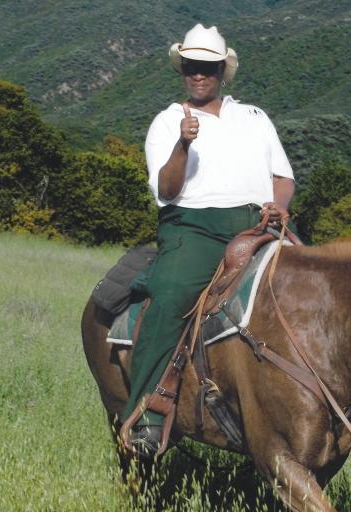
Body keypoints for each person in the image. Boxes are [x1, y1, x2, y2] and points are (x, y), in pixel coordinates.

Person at [122, 23, 295, 457]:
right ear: (183, 70)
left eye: (208, 68)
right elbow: (166, 188)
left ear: (223, 70)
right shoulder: (167, 121)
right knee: (170, 295)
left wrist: (278, 205)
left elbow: (283, 177)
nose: (199, 75)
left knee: (325, 286)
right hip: (193, 227)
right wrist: (183, 143)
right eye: (191, 67)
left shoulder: (255, 117)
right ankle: (146, 415)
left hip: (259, 223)